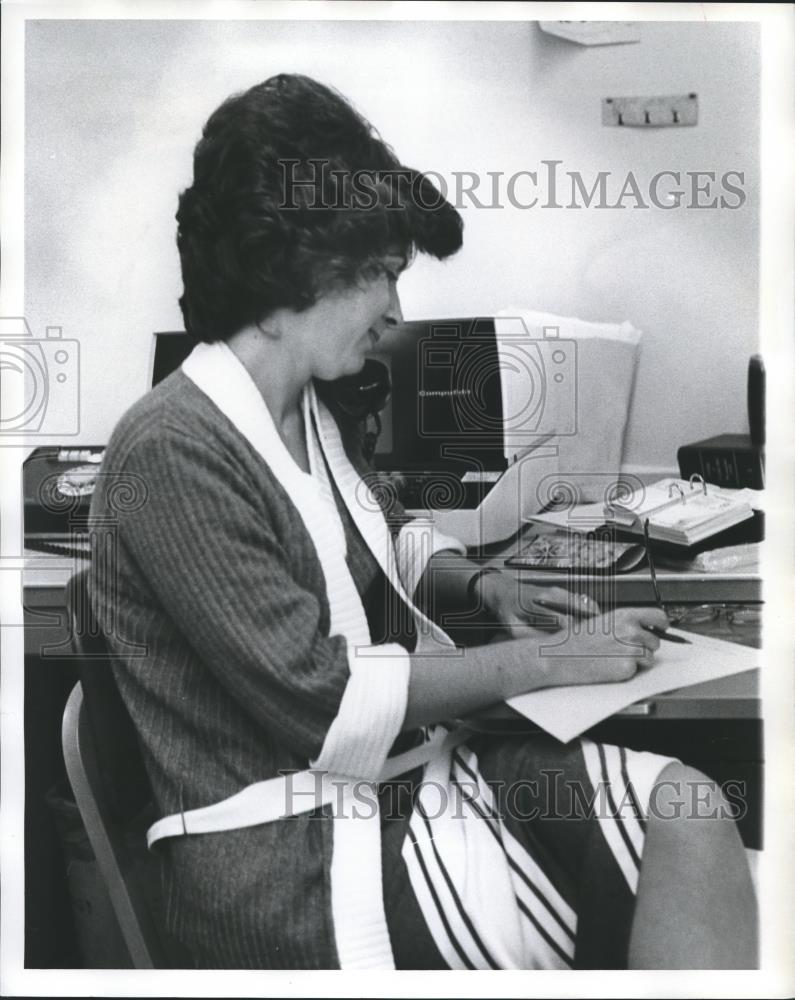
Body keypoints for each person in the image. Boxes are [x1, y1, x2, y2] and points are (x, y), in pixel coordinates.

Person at [89, 73, 757, 970]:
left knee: (691, 809)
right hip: (295, 862)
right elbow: (325, 704)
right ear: (291, 262)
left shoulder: (312, 413)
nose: (395, 312)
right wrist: (549, 657)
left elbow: (384, 533)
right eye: (379, 274)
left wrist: (487, 583)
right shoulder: (171, 450)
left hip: (403, 781)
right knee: (628, 901)